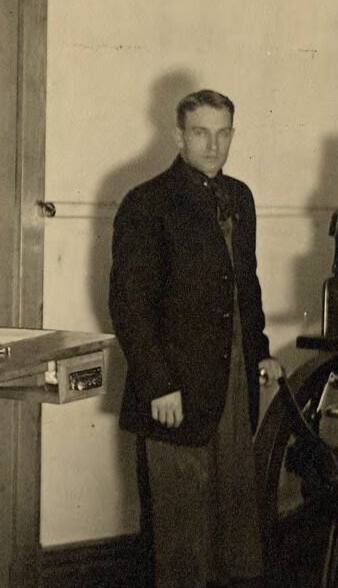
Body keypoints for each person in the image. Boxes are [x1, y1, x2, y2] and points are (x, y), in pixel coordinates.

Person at [110, 89, 282, 588]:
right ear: (178, 137)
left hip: (232, 385)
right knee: (180, 535)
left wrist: (262, 353)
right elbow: (129, 306)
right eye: (202, 133)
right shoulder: (147, 203)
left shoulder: (240, 198)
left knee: (234, 524)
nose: (214, 144)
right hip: (174, 391)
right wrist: (159, 383)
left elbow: (245, 286)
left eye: (223, 132)